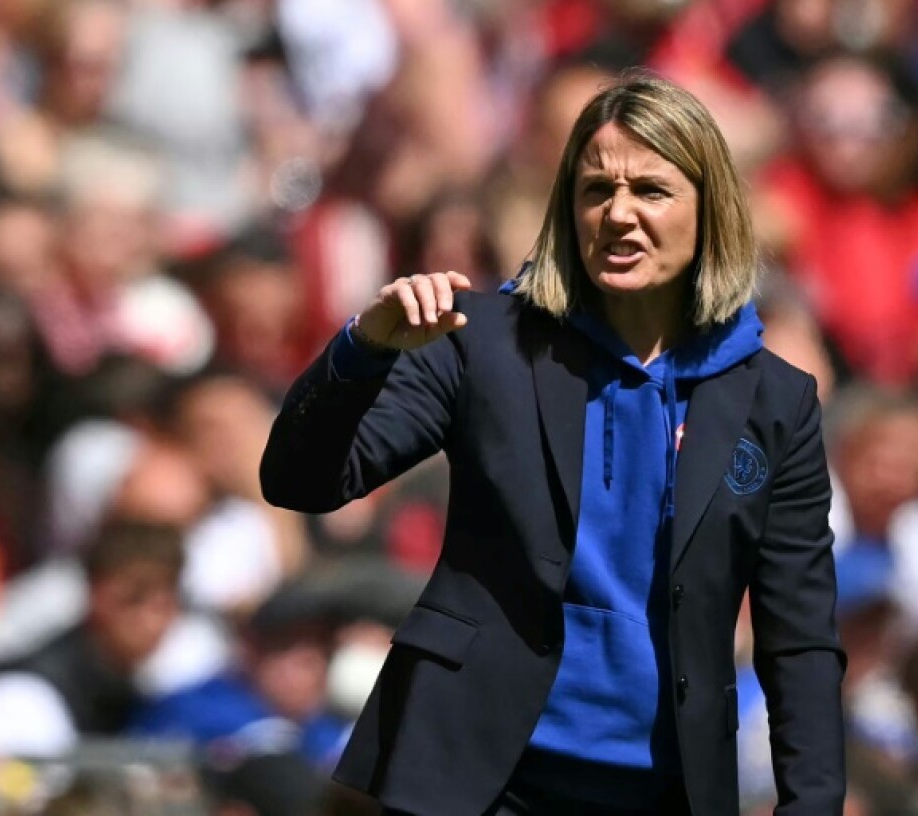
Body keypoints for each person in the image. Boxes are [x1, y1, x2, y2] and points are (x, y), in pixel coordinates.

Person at [262, 73, 846, 815]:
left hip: (663, 788)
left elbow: (799, 639)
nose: (619, 214)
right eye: (596, 190)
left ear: (711, 211)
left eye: (652, 192)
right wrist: (361, 351)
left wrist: (811, 804)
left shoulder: (776, 399)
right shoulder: (480, 342)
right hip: (474, 778)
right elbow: (302, 482)